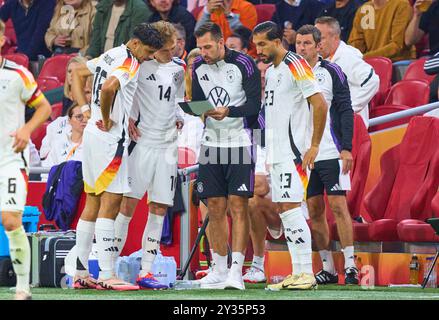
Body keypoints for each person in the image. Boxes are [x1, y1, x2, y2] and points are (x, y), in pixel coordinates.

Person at [70, 23, 163, 291]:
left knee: (92, 203)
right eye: (148, 51)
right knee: (110, 205)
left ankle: (80, 273)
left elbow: (76, 71)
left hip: (91, 135)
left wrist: (87, 109)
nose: (149, 57)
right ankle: (108, 274)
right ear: (135, 44)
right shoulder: (130, 61)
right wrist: (108, 119)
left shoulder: (110, 54)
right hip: (110, 139)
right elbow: (109, 88)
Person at [252, 21, 328, 290]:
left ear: (277, 41)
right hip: (277, 152)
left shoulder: (295, 63)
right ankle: (298, 273)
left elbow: (319, 103)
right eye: (256, 44)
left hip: (294, 153)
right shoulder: (272, 71)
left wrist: (314, 145)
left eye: (262, 44)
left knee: (292, 209)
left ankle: (306, 272)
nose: (258, 50)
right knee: (286, 210)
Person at [111, 21, 185, 290]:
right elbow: (120, 91)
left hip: (168, 148)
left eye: (174, 44)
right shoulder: (139, 65)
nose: (172, 50)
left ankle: (146, 271)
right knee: (127, 206)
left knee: (159, 208)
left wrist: (179, 117)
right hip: (142, 143)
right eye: (167, 47)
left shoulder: (179, 68)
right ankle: (110, 267)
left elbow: (177, 99)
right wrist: (126, 116)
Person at [192, 22, 261, 290]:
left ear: (222, 43)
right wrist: (196, 108)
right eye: (199, 47)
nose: (203, 52)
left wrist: (228, 112)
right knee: (214, 207)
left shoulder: (244, 63)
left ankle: (236, 272)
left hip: (240, 142)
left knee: (238, 206)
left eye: (208, 46)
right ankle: (218, 269)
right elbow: (199, 102)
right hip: (210, 144)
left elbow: (255, 105)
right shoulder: (198, 67)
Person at [295, 24, 357, 285]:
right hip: (304, 155)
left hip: (331, 150)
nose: (301, 48)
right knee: (314, 209)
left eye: (307, 43)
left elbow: (345, 110)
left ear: (319, 46)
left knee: (338, 206)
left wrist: (347, 148)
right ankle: (328, 268)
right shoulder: (291, 74)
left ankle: (352, 265)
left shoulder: (332, 71)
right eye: (298, 43)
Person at [0, 20, 52, 300]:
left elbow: (44, 107)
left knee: (10, 220)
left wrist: (26, 129)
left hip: (10, 160)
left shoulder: (18, 75)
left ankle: (22, 287)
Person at [315, 16, 379, 127]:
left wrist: (348, 109)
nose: (317, 43)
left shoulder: (348, 57)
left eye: (321, 38)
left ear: (335, 38)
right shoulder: (322, 59)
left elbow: (372, 81)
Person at [348, 0, 415, 62]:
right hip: (368, 64)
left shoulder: (401, 5)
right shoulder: (364, 9)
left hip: (397, 64)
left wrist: (364, 57)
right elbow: (355, 43)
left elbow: (397, 45)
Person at [85, 0, 152, 58]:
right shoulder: (103, 5)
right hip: (101, 60)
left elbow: (133, 48)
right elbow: (95, 41)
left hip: (123, 64)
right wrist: (88, 58)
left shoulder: (140, 9)